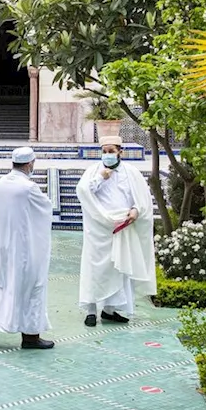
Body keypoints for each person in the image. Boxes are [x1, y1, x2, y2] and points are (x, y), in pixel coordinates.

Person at [0, 146, 55, 349]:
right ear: (30, 164)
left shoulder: (2, 183)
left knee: (2, 283)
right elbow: (46, 208)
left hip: (4, 245)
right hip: (25, 248)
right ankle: (31, 337)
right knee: (31, 287)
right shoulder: (28, 187)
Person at [76, 134, 157, 327]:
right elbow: (83, 192)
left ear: (120, 152)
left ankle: (110, 310)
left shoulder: (131, 172)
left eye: (111, 151)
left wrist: (136, 211)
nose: (107, 155)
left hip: (123, 227)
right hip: (98, 230)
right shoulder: (93, 171)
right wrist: (100, 178)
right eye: (104, 152)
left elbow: (143, 199)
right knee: (95, 268)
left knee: (119, 268)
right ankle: (90, 310)